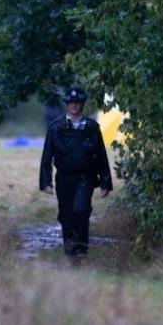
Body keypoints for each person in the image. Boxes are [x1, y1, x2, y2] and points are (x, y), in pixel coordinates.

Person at [39, 86, 113, 263]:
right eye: (71, 102)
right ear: (67, 104)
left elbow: (101, 155)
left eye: (77, 102)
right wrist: (46, 182)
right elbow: (47, 156)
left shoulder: (92, 128)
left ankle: (82, 247)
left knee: (80, 210)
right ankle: (70, 250)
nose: (74, 106)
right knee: (66, 214)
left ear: (82, 104)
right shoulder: (56, 128)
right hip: (64, 177)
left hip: (85, 177)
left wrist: (105, 182)